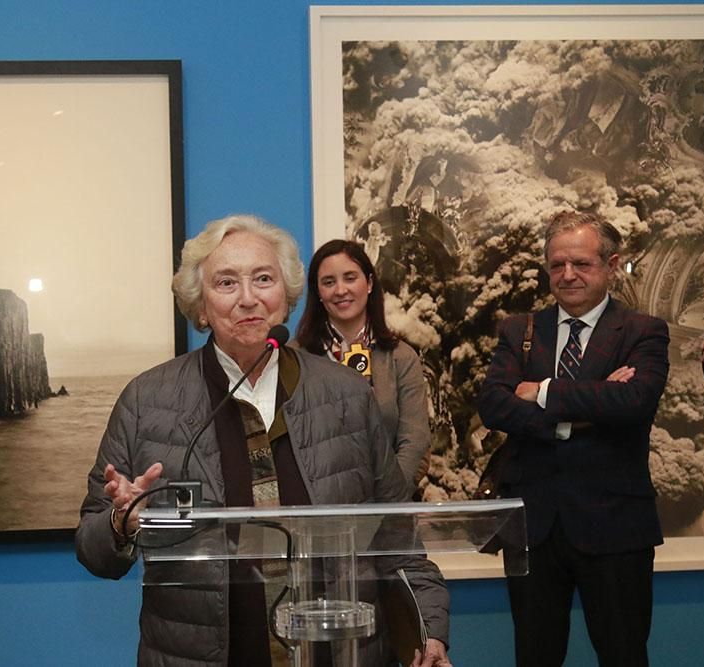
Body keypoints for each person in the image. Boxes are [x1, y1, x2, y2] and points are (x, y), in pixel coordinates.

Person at [76, 214, 450, 666]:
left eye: (263, 279)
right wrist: (123, 522)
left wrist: (429, 630)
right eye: (227, 283)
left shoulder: (347, 396)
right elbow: (92, 548)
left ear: (286, 295)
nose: (248, 299)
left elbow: (398, 538)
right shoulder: (145, 401)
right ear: (200, 305)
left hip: (338, 654)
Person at [477, 210, 669, 667]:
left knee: (624, 655)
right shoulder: (519, 330)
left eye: (581, 263)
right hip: (534, 529)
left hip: (617, 526)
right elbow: (494, 405)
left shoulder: (644, 332)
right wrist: (577, 413)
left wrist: (540, 391)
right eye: (556, 264)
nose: (567, 275)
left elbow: (634, 402)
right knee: (535, 658)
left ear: (611, 263)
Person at [295, 239, 431, 491]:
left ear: (368, 284)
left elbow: (415, 441)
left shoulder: (400, 357)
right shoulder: (294, 357)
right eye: (328, 282)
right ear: (318, 293)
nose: (340, 290)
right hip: (318, 512)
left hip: (390, 510)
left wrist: (384, 504)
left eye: (350, 278)